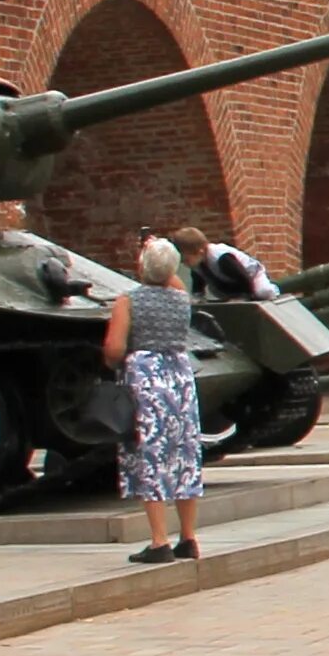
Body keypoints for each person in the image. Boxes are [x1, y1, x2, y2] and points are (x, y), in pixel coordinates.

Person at [102, 236, 202, 563]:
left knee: (151, 454)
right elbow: (168, 277)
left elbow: (114, 349)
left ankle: (159, 541)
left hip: (147, 378)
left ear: (141, 266)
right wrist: (159, 254)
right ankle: (188, 537)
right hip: (180, 378)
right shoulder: (181, 299)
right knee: (184, 453)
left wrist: (113, 362)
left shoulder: (127, 300)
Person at [174, 227, 281, 301]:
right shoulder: (198, 263)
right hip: (227, 282)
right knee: (215, 291)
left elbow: (243, 277)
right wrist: (198, 296)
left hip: (251, 276)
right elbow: (198, 281)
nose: (184, 263)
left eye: (186, 260)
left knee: (263, 292)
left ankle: (273, 290)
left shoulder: (221, 257)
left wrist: (244, 297)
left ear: (199, 252)